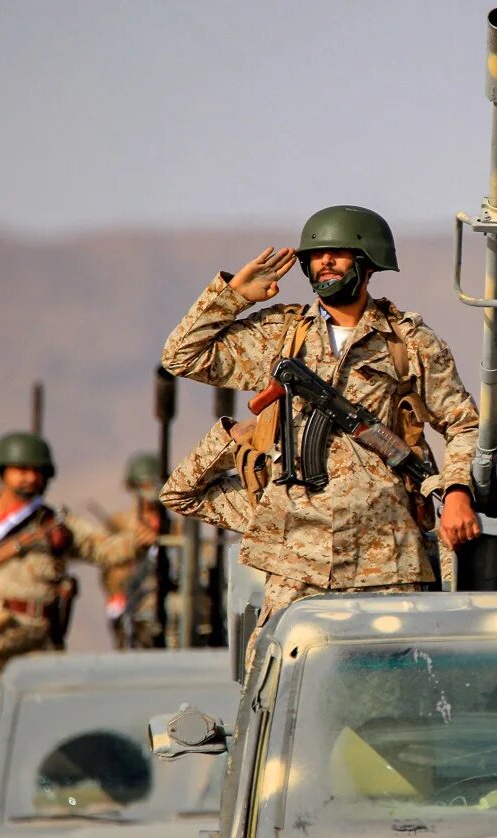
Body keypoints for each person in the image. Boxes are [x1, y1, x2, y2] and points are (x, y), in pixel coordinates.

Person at [159, 205, 480, 659]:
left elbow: (463, 423)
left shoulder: (408, 342)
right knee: (279, 684)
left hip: (386, 556)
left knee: (392, 687)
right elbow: (182, 357)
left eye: (339, 253)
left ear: (367, 262)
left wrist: (458, 492)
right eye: (317, 254)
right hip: (296, 555)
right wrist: (233, 297)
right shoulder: (282, 334)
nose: (325, 262)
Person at [0, 432, 147, 779]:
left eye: (37, 471)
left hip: (38, 649)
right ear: (1, 472)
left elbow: (103, 550)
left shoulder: (55, 526)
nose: (29, 478)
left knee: (41, 745)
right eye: (20, 469)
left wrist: (135, 542)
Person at [103, 453, 164, 648]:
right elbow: (110, 573)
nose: (149, 492)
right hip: (130, 608)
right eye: (144, 486)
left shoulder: (177, 528)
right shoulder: (118, 525)